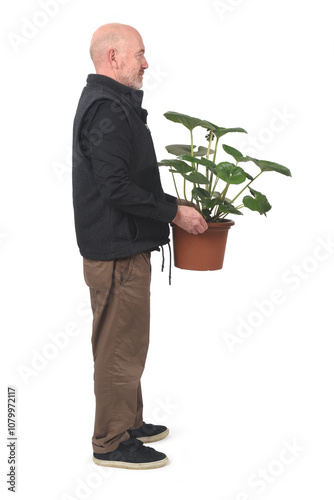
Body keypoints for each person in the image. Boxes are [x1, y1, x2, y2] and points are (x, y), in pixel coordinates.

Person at [72, 22, 208, 470]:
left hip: (124, 248)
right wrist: (173, 213)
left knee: (126, 343)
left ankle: (128, 422)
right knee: (118, 347)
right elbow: (115, 188)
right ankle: (110, 442)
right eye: (140, 54)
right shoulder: (106, 109)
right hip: (116, 252)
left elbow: (124, 181)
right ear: (114, 57)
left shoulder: (111, 105)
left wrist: (171, 205)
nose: (146, 63)